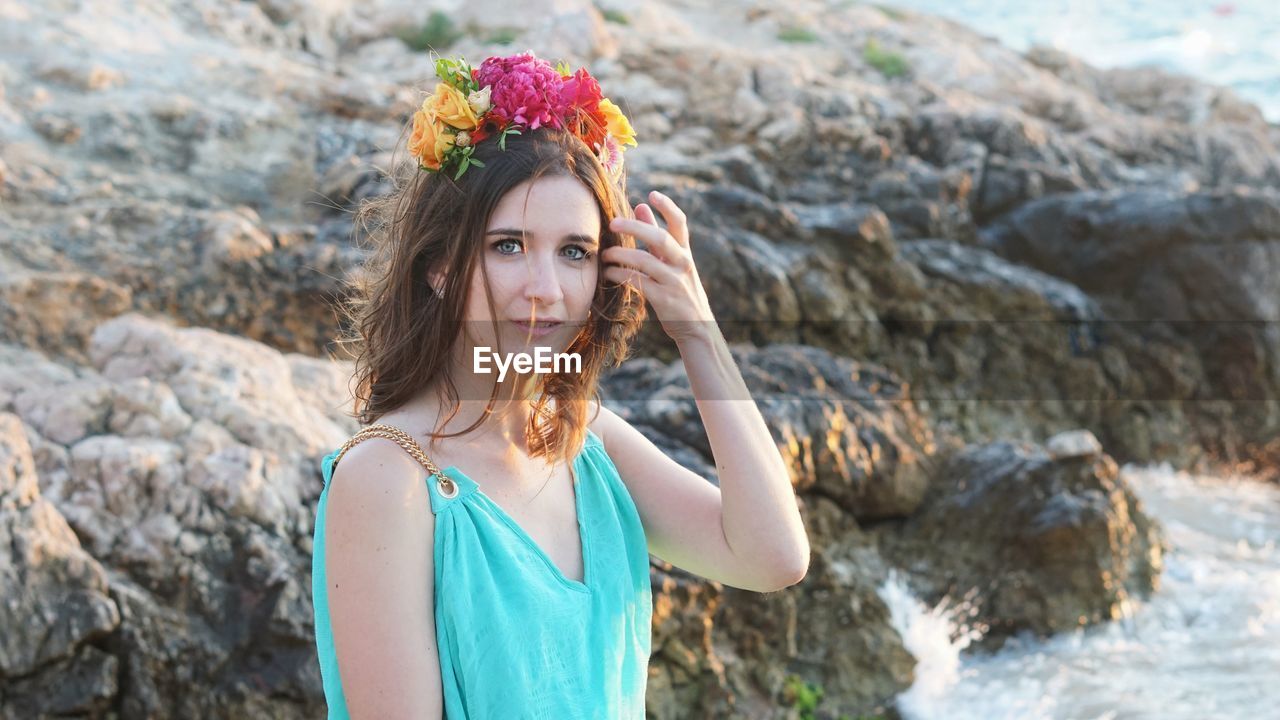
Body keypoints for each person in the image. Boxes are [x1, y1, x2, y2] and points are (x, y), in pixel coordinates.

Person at [310, 51, 810, 719]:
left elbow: (773, 557)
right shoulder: (387, 479)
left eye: (574, 252)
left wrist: (700, 337)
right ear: (438, 266)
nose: (545, 291)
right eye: (507, 245)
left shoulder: (588, 444)